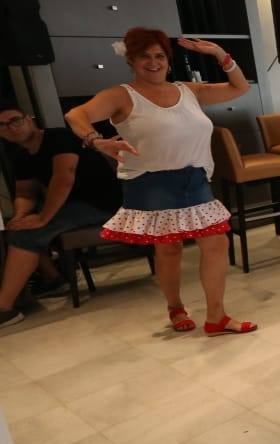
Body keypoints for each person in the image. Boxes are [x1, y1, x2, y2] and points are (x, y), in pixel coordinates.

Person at [65, 28, 256, 335]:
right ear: (131, 60)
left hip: (194, 178)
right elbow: (76, 115)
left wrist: (219, 54)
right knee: (169, 249)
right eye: (145, 57)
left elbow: (240, 87)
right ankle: (175, 307)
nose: (153, 63)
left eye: (159, 56)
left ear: (168, 60)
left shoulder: (189, 90)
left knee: (217, 242)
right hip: (151, 183)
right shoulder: (120, 95)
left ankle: (216, 316)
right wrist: (97, 141)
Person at [0, 100, 122, 328]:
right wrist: (19, 216)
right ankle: (53, 280)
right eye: (3, 125)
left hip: (102, 203)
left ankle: (4, 309)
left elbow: (64, 178)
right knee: (17, 228)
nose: (11, 127)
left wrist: (42, 218)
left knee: (26, 235)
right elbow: (26, 193)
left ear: (29, 119)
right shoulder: (22, 156)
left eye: (15, 120)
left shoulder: (57, 137)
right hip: (73, 205)